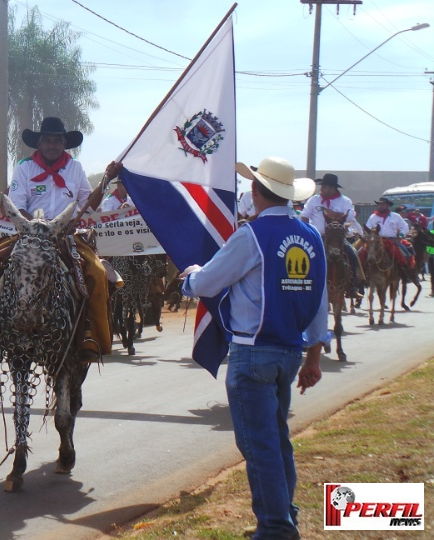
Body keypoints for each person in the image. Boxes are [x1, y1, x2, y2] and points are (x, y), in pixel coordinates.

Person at [179, 156, 328, 540]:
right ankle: (283, 515)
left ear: (258, 192)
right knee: (276, 440)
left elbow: (210, 282)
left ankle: (276, 527)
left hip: (253, 352)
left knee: (258, 444)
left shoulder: (251, 235)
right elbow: (318, 303)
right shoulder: (311, 237)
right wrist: (313, 357)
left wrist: (190, 278)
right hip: (289, 353)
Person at [0, 116, 111, 363]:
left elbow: (87, 205)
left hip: (66, 236)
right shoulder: (24, 167)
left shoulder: (75, 168)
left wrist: (106, 181)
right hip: (28, 235)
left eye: (57, 140)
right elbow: (16, 205)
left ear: (64, 144)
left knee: (98, 274)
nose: (52, 144)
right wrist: (35, 227)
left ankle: (93, 336)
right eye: (47, 139)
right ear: (39, 143)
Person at [299, 173, 364, 297]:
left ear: (333, 188)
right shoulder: (314, 199)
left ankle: (353, 286)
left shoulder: (345, 201)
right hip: (317, 236)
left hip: (337, 238)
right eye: (322, 186)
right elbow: (305, 215)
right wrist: (307, 231)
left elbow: (350, 217)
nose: (321, 188)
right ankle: (303, 284)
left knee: (352, 254)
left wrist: (333, 214)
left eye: (325, 186)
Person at [365, 197, 412, 263]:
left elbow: (405, 226)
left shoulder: (396, 216)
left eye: (383, 204)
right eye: (380, 204)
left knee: (406, 254)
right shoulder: (373, 217)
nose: (381, 206)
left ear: (388, 205)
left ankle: (406, 270)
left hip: (392, 240)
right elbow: (368, 228)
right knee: (363, 254)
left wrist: (401, 235)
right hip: (376, 241)